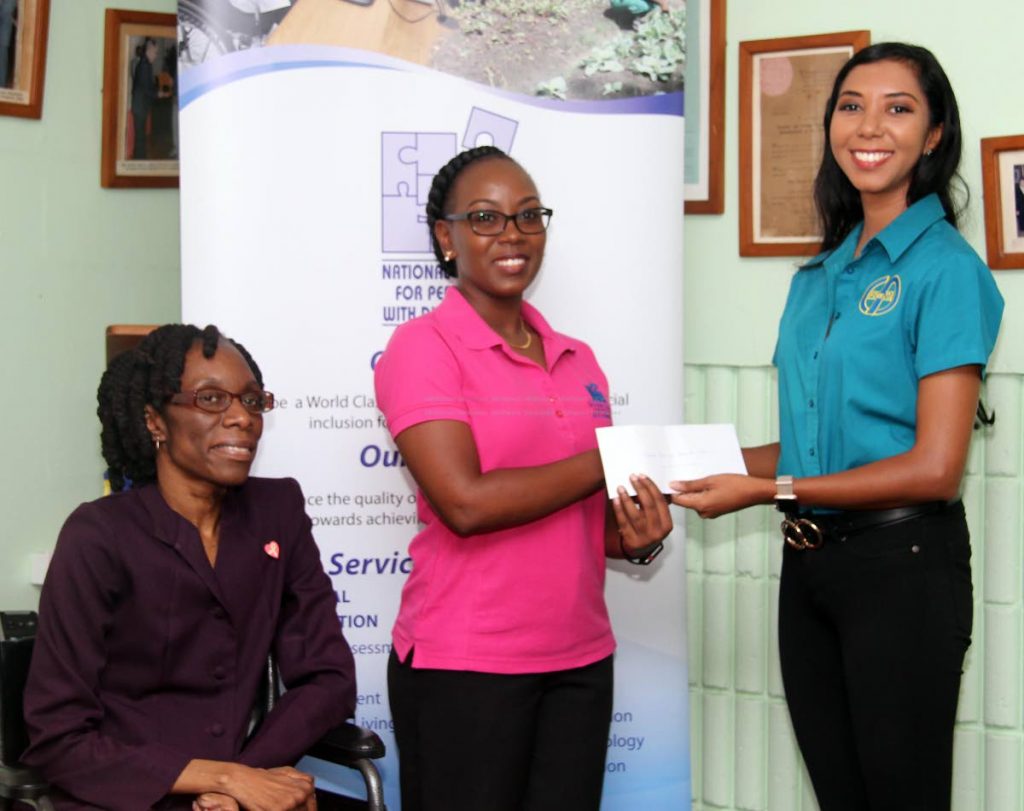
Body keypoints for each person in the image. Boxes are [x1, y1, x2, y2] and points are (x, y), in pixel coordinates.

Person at [671, 43, 1003, 811]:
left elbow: (934, 467)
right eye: (851, 105)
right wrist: (675, 464)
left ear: (934, 136)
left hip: (903, 567)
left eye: (899, 107)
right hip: (810, 569)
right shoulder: (819, 276)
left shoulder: (945, 268)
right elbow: (810, 445)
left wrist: (765, 489)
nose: (869, 125)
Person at [373, 145, 673, 811]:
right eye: (485, 217)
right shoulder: (422, 348)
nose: (512, 234)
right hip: (467, 667)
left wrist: (640, 537)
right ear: (444, 238)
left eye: (529, 216)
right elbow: (465, 502)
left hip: (580, 659)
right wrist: (608, 458)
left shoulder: (580, 358)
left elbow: (582, 525)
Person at [23, 324, 357, 811]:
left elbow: (329, 679)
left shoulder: (277, 512)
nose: (242, 418)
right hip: (123, 795)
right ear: (155, 422)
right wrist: (223, 779)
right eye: (211, 399)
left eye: (251, 400)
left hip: (241, 787)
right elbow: (58, 738)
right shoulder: (98, 535)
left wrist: (247, 777)